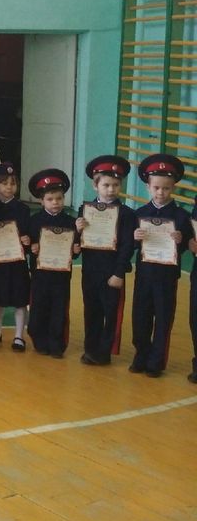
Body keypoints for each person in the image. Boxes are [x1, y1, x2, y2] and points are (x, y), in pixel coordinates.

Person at [131, 154, 189, 378]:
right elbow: (132, 245)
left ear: (173, 187)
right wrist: (135, 238)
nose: (161, 192)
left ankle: (156, 361)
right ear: (148, 187)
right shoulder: (140, 214)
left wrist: (181, 240)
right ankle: (141, 355)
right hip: (144, 273)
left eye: (166, 188)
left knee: (163, 318)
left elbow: (187, 246)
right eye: (156, 187)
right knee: (140, 316)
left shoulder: (181, 216)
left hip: (166, 276)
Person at [75, 156, 136, 366]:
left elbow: (127, 246)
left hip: (112, 272)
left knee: (110, 313)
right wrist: (78, 230)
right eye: (106, 185)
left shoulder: (126, 214)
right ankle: (90, 349)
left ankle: (104, 352)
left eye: (116, 185)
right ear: (96, 185)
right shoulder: (85, 210)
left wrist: (119, 272)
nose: (111, 190)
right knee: (91, 310)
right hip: (90, 270)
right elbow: (77, 243)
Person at [26, 169, 80, 359]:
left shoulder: (71, 222)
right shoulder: (34, 221)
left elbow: (75, 249)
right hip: (40, 274)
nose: (55, 202)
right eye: (50, 199)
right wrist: (31, 247)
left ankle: (57, 344)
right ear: (41, 201)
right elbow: (27, 244)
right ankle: (39, 341)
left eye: (59, 198)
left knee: (59, 309)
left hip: (61, 275)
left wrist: (76, 250)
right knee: (39, 308)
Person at [0, 163, 31, 352]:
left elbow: (29, 233)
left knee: (20, 298)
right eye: (4, 183)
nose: (9, 187)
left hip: (17, 261)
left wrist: (27, 240)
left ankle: (19, 335)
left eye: (13, 183)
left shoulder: (23, 209)